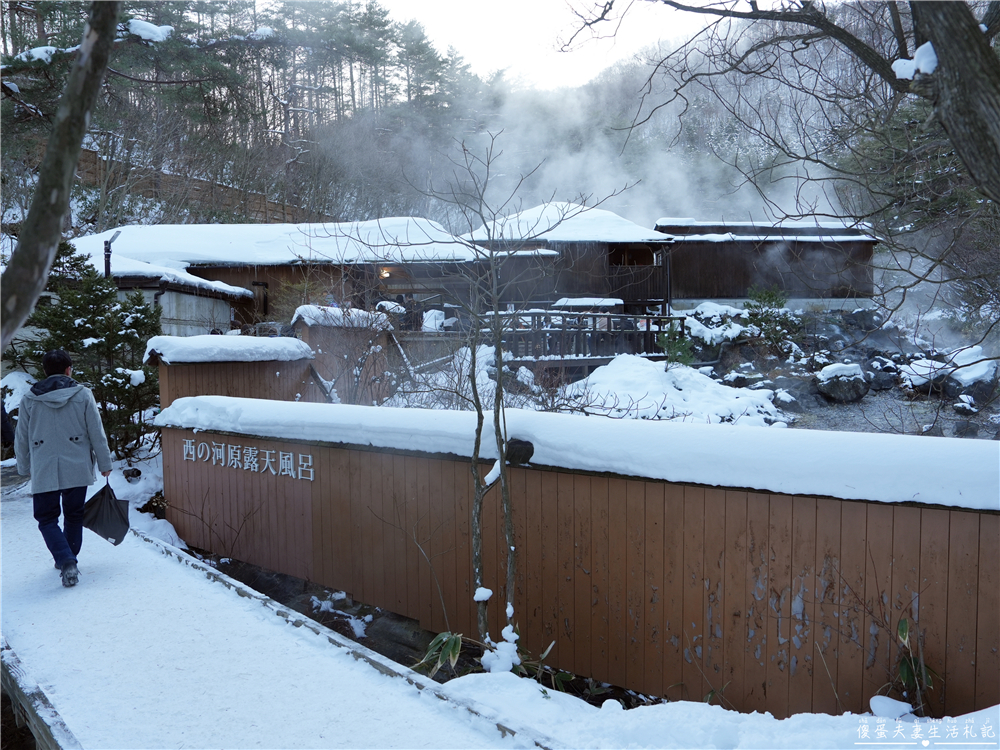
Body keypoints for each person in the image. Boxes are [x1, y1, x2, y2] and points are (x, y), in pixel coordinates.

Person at [15, 350, 113, 587]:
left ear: (45, 371)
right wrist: (105, 463)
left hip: (44, 464)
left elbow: (22, 437)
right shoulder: (83, 394)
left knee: (46, 518)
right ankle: (70, 559)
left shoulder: (30, 398)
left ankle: (65, 559)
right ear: (69, 369)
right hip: (77, 464)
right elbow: (96, 432)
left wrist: (24, 466)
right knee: (74, 515)